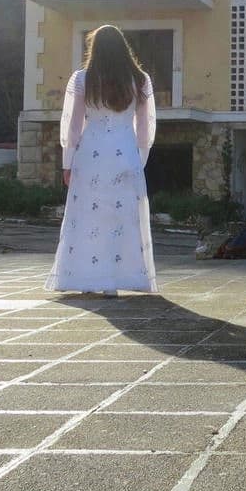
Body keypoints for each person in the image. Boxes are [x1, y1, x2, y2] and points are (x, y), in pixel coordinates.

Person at [45, 24, 158, 296]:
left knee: (88, 217)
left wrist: (67, 162)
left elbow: (73, 127)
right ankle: (116, 280)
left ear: (94, 49)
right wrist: (139, 161)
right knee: (122, 218)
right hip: (125, 152)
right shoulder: (140, 80)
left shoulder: (83, 79)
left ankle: (88, 278)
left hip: (91, 155)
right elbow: (145, 129)